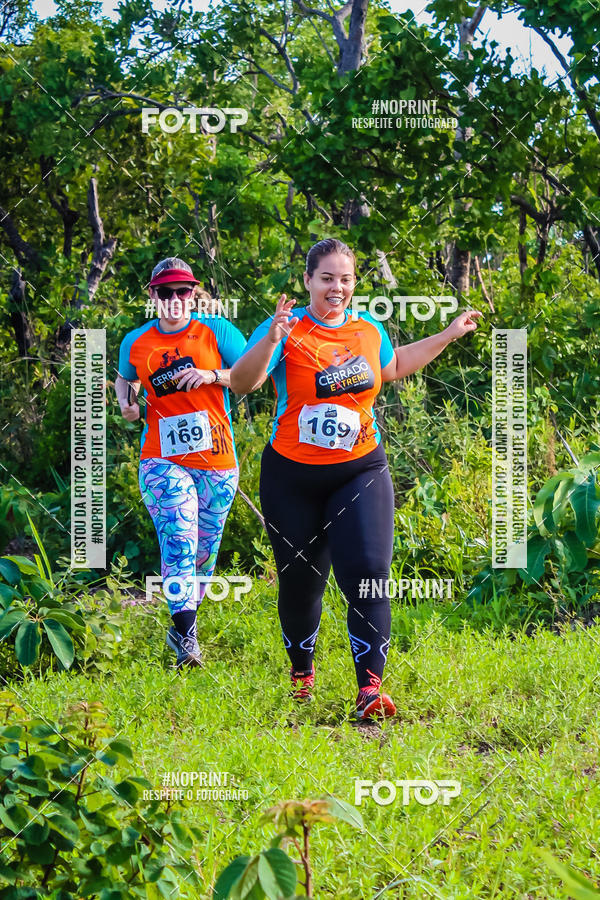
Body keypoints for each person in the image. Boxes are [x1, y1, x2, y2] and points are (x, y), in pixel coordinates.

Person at [230, 238, 481, 719]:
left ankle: (369, 689)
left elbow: (394, 367)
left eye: (345, 279)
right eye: (326, 278)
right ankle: (302, 675)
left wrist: (448, 334)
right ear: (308, 281)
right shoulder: (284, 326)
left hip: (360, 469)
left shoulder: (368, 330)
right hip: (292, 477)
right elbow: (243, 383)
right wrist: (270, 338)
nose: (336, 288)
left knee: (368, 576)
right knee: (302, 583)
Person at [115, 257, 247, 668]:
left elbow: (250, 375)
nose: (175, 299)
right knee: (179, 535)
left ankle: (180, 627)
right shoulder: (136, 341)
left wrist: (213, 377)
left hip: (218, 460)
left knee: (203, 555)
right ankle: (188, 637)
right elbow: (126, 377)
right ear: (152, 294)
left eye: (183, 291)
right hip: (162, 458)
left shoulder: (217, 330)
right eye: (166, 291)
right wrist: (125, 400)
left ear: (194, 293)